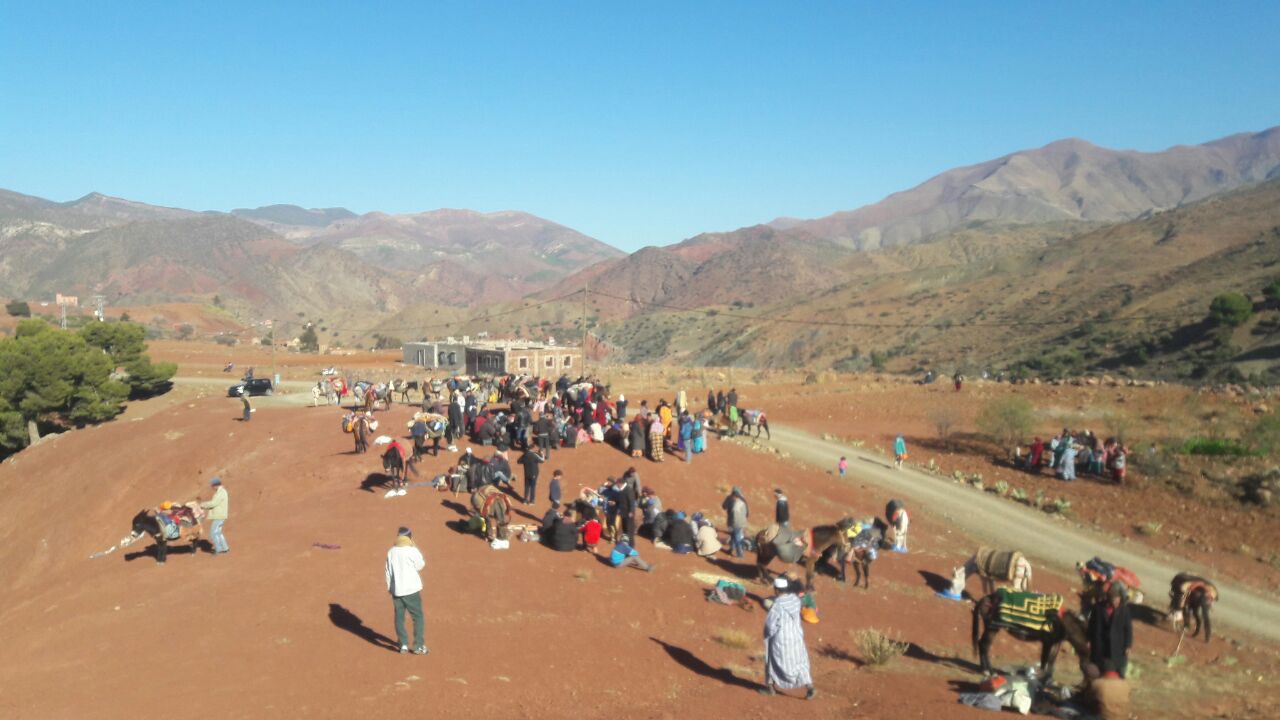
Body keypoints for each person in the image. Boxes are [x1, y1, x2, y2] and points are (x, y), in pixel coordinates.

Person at [759, 577, 815, 700]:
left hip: (781, 639)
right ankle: (810, 687)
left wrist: (767, 636)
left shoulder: (777, 605)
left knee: (771, 661)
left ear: (777, 590)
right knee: (800, 663)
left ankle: (770, 688)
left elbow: (770, 625)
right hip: (796, 637)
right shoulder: (795, 599)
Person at [385, 527, 428, 655]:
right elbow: (420, 565)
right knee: (418, 617)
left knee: (399, 617)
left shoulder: (391, 552)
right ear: (410, 537)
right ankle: (418, 646)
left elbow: (387, 572)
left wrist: (390, 588)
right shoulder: (412, 550)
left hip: (397, 591)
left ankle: (403, 644)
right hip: (412, 590)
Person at [1087, 582, 1133, 679]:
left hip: (1118, 647)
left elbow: (1128, 630)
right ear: (1108, 598)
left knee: (1120, 672)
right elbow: (1091, 625)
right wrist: (1089, 639)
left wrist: (1128, 645)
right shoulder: (1098, 608)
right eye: (1114, 599)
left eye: (1117, 599)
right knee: (1097, 672)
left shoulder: (1124, 610)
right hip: (1100, 645)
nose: (1116, 602)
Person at [200, 476, 230, 555]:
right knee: (218, 533)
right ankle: (225, 548)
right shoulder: (221, 492)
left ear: (215, 485)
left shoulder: (221, 492)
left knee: (213, 533)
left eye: (212, 485)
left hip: (219, 516)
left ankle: (219, 549)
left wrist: (202, 505)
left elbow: (213, 503)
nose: (212, 487)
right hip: (220, 515)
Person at [722, 487, 749, 558]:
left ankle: (740, 554)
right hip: (740, 521)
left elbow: (724, 507)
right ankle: (731, 549)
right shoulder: (743, 500)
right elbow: (747, 512)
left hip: (734, 522)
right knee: (734, 536)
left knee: (737, 538)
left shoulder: (730, 498)